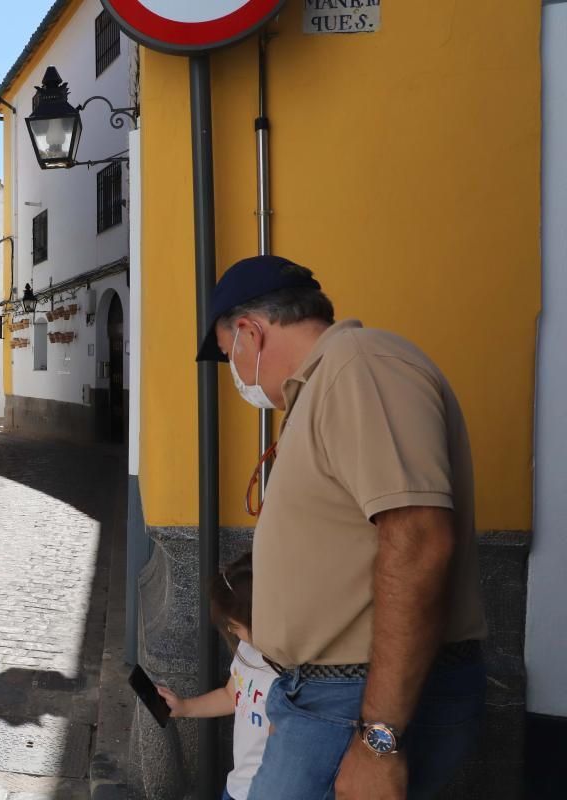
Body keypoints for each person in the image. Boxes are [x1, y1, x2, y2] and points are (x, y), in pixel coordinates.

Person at [195, 255, 487, 800]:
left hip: (352, 700)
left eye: (227, 351)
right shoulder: (332, 382)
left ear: (250, 333)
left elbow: (419, 539)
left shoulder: (359, 366)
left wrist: (379, 739)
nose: (232, 370)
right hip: (329, 698)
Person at [156, 554, 275, 800]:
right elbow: (231, 695)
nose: (232, 631)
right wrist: (185, 707)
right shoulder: (248, 650)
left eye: (235, 626)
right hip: (237, 785)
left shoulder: (288, 676)